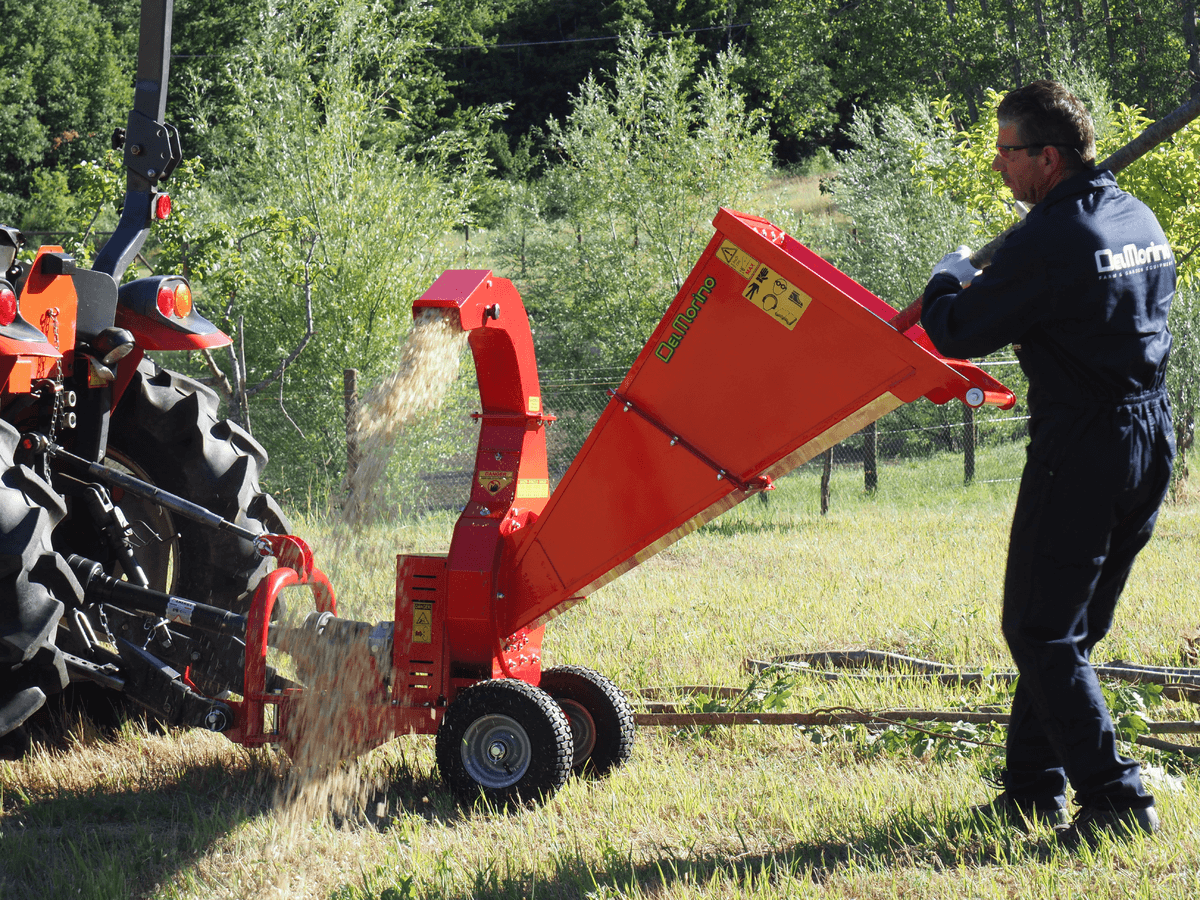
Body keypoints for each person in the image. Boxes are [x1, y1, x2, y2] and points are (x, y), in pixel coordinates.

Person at [920, 80, 1176, 846]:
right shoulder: (1138, 219)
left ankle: (1116, 800)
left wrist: (946, 279)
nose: (999, 164)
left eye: (1008, 151)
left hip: (1083, 446)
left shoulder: (1051, 238)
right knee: (1067, 629)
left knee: (1038, 631)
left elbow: (957, 331)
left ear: (1049, 157)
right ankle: (1033, 791)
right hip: (1149, 438)